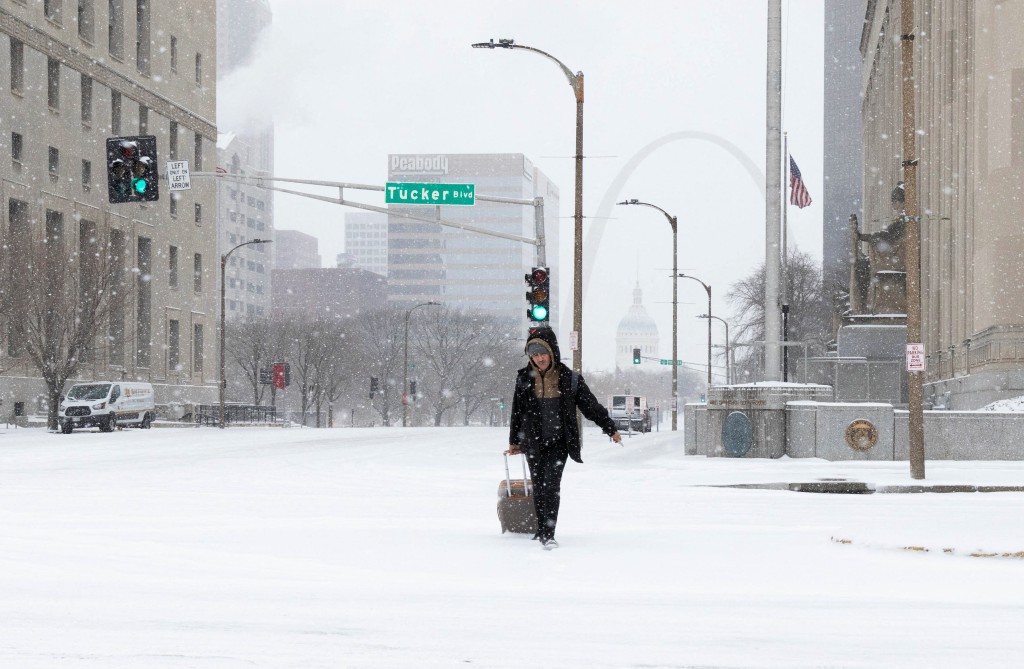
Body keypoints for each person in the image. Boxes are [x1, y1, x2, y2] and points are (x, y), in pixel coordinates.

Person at [508, 326, 622, 550]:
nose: (539, 358)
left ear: (553, 352)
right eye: (535, 354)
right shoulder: (524, 378)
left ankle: (548, 534)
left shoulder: (569, 379)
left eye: (543, 353)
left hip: (559, 443)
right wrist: (514, 441)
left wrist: (610, 427)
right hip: (533, 443)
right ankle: (541, 529)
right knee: (539, 488)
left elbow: (591, 407)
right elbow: (517, 411)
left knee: (551, 485)